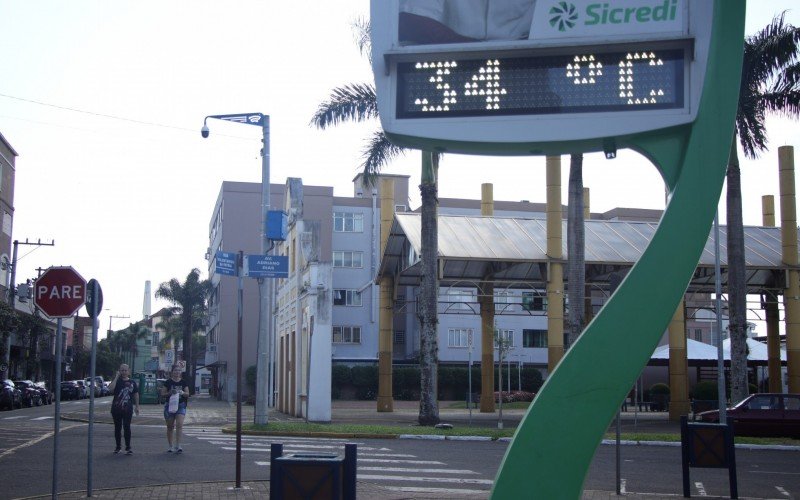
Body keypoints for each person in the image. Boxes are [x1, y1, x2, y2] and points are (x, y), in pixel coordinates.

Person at [108, 364, 139, 455]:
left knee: (127, 426)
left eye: (125, 370)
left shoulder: (132, 382)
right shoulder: (117, 381)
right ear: (119, 371)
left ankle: (128, 447)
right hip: (116, 408)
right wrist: (116, 377)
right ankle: (118, 447)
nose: (124, 372)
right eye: (122, 370)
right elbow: (110, 389)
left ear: (129, 371)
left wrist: (137, 406)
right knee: (117, 427)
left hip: (128, 408)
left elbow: (136, 394)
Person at [160, 364, 190, 453]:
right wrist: (169, 393)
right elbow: (162, 394)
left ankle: (178, 445)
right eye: (175, 370)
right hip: (170, 406)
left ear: (181, 372)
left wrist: (182, 392)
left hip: (181, 405)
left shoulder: (183, 382)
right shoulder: (168, 382)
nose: (177, 372)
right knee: (170, 426)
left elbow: (188, 394)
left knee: (179, 424)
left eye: (179, 370)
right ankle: (170, 446)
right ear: (172, 372)